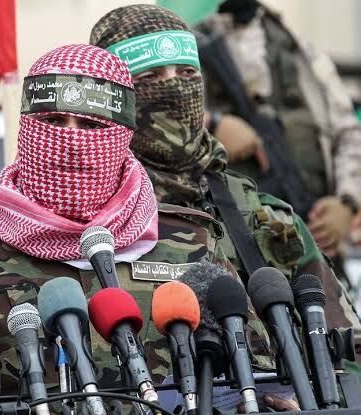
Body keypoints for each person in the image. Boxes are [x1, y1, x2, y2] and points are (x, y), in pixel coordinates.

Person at [0, 44, 274, 414]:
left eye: (90, 125)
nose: (70, 142)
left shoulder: (189, 245)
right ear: (28, 127)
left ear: (123, 136)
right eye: (53, 121)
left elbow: (259, 386)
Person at [90, 4, 360, 341]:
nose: (175, 87)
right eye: (149, 77)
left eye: (187, 73)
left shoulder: (262, 218)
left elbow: (346, 345)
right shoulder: (83, 218)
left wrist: (348, 201)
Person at [195, 0, 361, 262]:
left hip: (317, 241)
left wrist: (347, 203)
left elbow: (348, 133)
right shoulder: (192, 46)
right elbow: (158, 118)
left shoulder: (300, 49)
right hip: (237, 248)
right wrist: (213, 123)